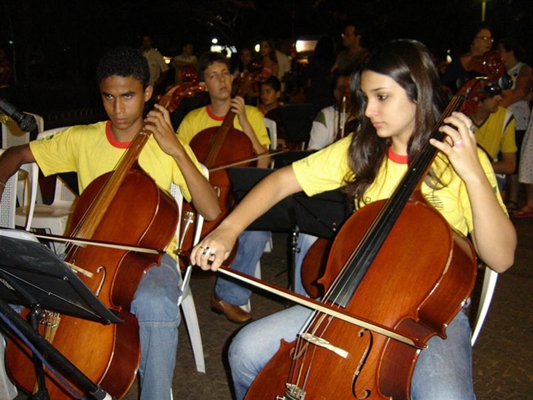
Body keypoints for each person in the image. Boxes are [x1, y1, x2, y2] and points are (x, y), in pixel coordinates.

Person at [191, 39, 516, 400]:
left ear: (417, 93)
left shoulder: (460, 162)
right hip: (353, 300)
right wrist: (227, 230)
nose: (369, 111)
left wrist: (472, 175)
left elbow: (501, 257)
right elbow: (282, 180)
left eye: (382, 97)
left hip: (429, 315)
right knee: (245, 350)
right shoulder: (363, 149)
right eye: (366, 98)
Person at [0, 46, 221, 400]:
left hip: (150, 257)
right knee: (15, 291)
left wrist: (177, 151)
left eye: (128, 96)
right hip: (86, 252)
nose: (118, 109)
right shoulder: (82, 138)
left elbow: (210, 210)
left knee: (157, 301)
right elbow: (16, 155)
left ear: (148, 93)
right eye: (109, 97)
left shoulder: (168, 145)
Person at [176, 52, 271, 323]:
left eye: (226, 73)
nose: (222, 80)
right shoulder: (193, 120)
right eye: (213, 76)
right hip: (200, 194)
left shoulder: (250, 113)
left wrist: (243, 123)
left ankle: (226, 295)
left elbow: (263, 163)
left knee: (258, 231)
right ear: (204, 85)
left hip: (237, 197)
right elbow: (176, 162)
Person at [497, 37, 533, 211]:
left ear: (510, 52)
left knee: (516, 162)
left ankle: (513, 199)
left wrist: (496, 105)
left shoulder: (523, 69)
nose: (498, 54)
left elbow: (520, 93)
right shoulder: (499, 71)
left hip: (519, 121)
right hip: (502, 120)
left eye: (501, 51)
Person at [470, 84, 517, 192]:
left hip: (490, 174)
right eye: (493, 94)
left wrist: (473, 166)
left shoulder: (505, 116)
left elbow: (510, 166)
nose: (499, 98)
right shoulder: (458, 115)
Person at [442, 23, 494, 93]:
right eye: (484, 38)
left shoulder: (493, 63)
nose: (489, 42)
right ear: (472, 40)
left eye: (490, 38)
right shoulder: (457, 64)